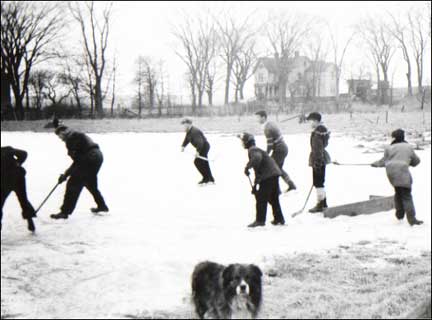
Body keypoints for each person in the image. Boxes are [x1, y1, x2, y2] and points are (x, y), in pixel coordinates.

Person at [51, 126, 108, 219]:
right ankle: (102, 205)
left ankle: (64, 212)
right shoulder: (76, 135)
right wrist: (66, 174)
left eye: (59, 135)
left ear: (64, 132)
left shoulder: (71, 140)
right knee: (90, 182)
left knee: (73, 184)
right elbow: (78, 161)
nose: (60, 138)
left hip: (89, 159)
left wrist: (66, 175)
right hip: (97, 156)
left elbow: (78, 162)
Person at [371, 129, 423, 226]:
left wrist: (375, 164)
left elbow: (383, 161)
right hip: (403, 172)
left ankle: (399, 215)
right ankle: (412, 220)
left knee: (398, 191)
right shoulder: (408, 147)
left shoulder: (388, 148)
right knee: (407, 195)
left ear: (394, 137)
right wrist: (409, 162)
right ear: (403, 137)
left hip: (391, 174)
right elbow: (416, 161)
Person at [241, 132, 285, 228]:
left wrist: (247, 167)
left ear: (247, 142)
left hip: (268, 175)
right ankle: (279, 219)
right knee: (273, 198)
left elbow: (257, 159)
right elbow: (259, 169)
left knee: (261, 198)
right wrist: (256, 184)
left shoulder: (253, 150)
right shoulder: (256, 149)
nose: (242, 144)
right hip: (274, 174)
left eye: (243, 141)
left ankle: (260, 220)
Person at [255, 110, 297, 192]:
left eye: (258, 118)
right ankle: (291, 185)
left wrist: (265, 154)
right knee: (278, 168)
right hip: (283, 148)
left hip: (279, 150)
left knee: (273, 169)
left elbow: (270, 144)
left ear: (263, 117)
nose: (257, 120)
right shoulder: (271, 123)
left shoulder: (267, 128)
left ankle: (277, 190)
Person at [1, 146, 36, 232]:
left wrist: (18, 163)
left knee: (22, 199)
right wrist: (18, 163)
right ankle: (30, 220)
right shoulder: (6, 149)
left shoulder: (6, 150)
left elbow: (24, 153)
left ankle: (30, 220)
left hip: (13, 179)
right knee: (23, 200)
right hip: (16, 178)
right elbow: (23, 154)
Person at [306, 112, 331, 213]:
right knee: (320, 182)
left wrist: (317, 162)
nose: (310, 123)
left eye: (311, 121)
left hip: (318, 160)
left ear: (316, 121)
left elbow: (318, 148)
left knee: (318, 183)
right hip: (321, 159)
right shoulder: (321, 130)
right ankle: (323, 203)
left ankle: (320, 204)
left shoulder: (317, 132)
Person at [181, 118, 215, 185]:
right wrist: (183, 146)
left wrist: (198, 152)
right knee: (204, 163)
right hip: (203, 147)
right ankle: (210, 179)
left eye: (184, 125)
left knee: (197, 162)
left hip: (204, 147)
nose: (183, 126)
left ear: (189, 124)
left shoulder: (194, 131)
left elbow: (200, 143)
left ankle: (206, 178)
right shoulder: (189, 131)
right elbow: (187, 139)